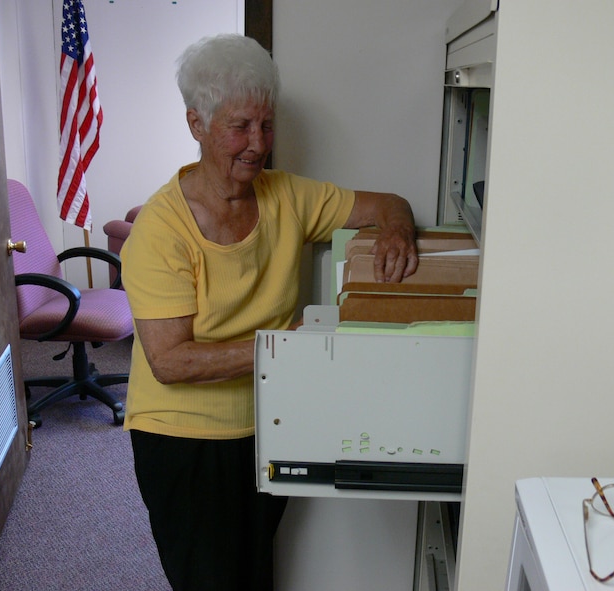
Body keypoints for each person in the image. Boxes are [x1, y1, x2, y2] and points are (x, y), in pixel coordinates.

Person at [120, 34, 418, 591]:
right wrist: (285, 348)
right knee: (209, 579)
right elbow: (170, 362)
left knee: (254, 573)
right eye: (240, 127)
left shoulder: (288, 196)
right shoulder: (161, 230)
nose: (258, 144)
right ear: (196, 125)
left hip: (271, 427)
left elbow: (387, 204)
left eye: (266, 124)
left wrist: (396, 230)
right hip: (183, 440)